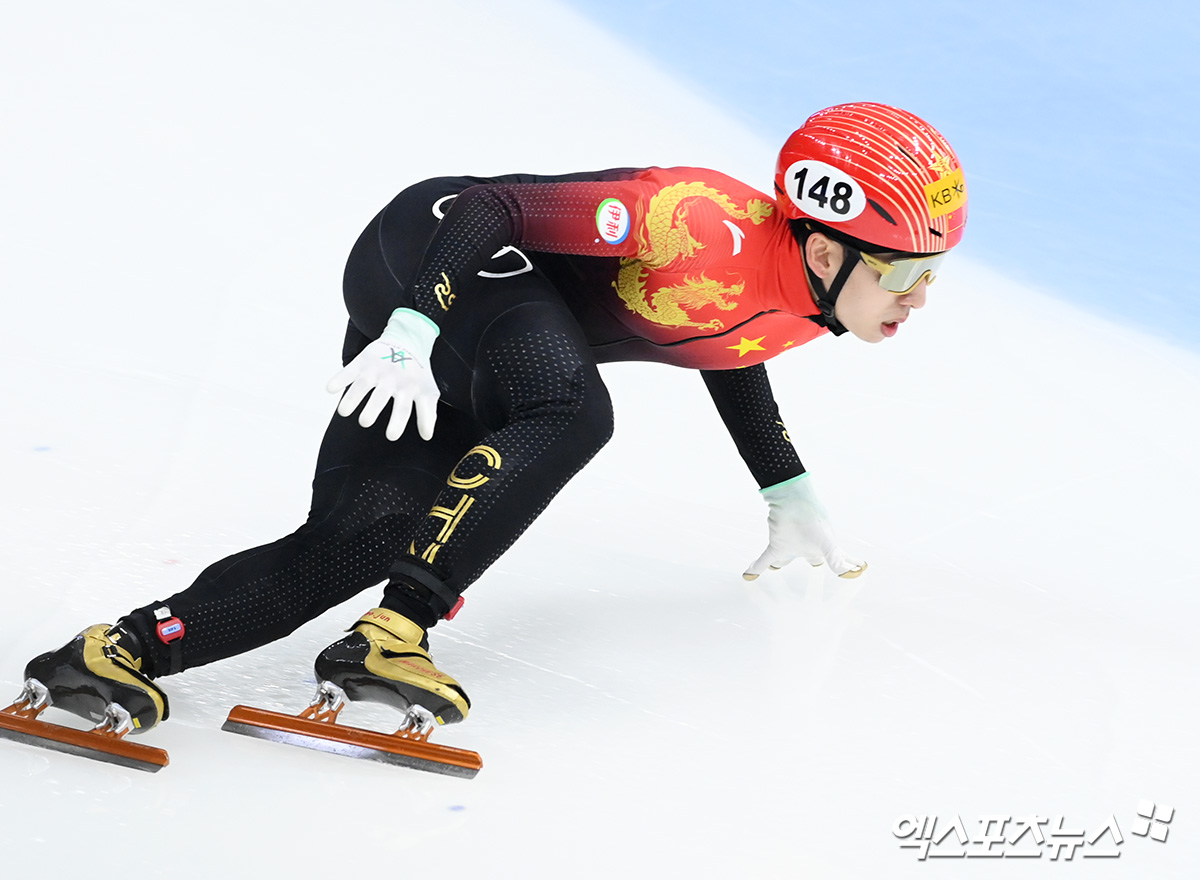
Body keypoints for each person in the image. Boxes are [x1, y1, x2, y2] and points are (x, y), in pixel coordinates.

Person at [15, 102, 967, 737]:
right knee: (573, 408)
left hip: (485, 325)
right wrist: (412, 323)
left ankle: (117, 651)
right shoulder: (697, 221)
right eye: (908, 274)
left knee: (359, 538)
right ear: (828, 241)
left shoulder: (804, 303)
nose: (920, 299)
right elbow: (494, 203)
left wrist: (782, 484)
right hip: (436, 256)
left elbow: (724, 346)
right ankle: (397, 632)